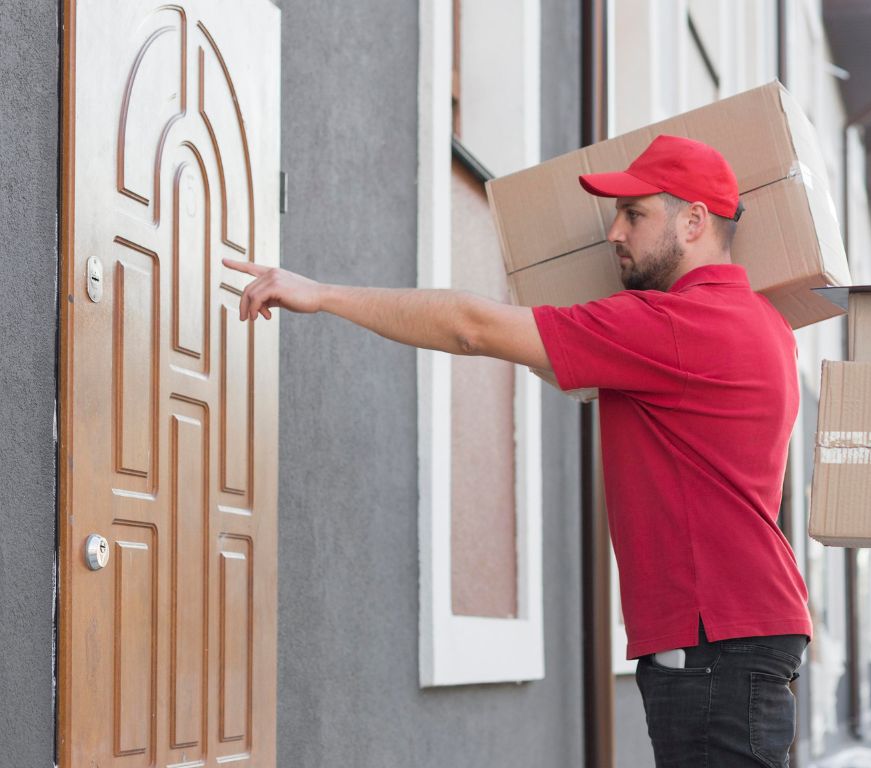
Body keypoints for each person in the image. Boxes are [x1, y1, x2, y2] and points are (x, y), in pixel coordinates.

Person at [226, 134, 811, 767]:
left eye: (635, 214)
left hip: (712, 645)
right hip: (740, 633)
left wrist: (323, 294)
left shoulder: (673, 326)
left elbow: (471, 328)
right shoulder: (764, 324)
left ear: (694, 220)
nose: (615, 232)